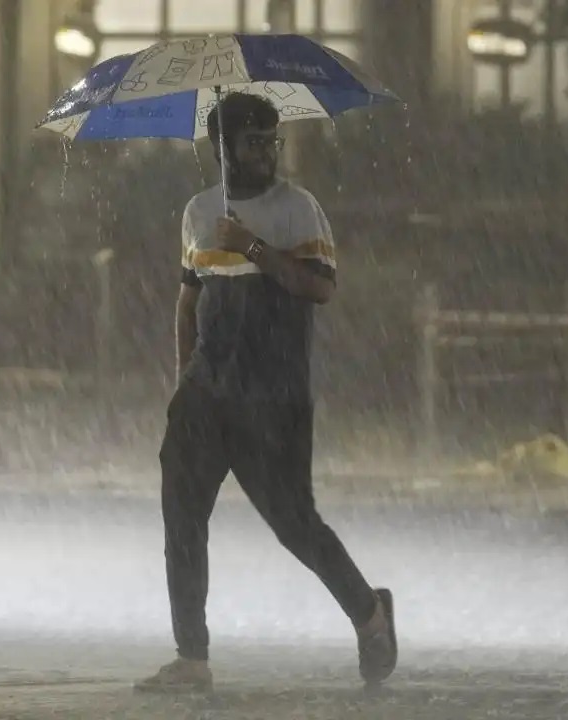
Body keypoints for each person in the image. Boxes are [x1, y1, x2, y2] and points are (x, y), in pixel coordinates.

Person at [135, 93, 397, 694]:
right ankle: (192, 657)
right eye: (252, 143)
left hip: (273, 397)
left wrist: (251, 245)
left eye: (270, 143)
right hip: (207, 392)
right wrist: (184, 382)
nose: (265, 154)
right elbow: (190, 299)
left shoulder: (298, 210)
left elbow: (320, 288)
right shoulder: (198, 213)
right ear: (221, 149)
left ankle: (370, 612)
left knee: (294, 524)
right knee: (182, 515)